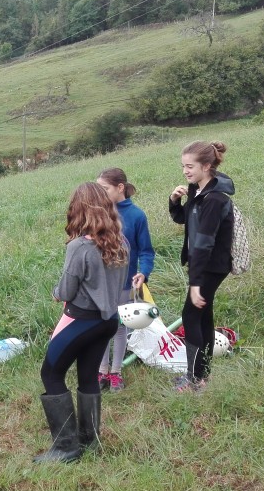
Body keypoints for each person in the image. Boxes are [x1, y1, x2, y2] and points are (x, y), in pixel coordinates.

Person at [35, 183, 128, 464]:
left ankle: (66, 448)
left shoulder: (79, 247)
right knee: (87, 377)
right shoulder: (120, 242)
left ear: (79, 210)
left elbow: (65, 291)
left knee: (51, 374)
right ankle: (90, 440)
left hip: (82, 322)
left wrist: (55, 292)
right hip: (109, 321)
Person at [168, 140, 235, 392]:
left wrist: (196, 283)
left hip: (210, 265)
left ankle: (194, 378)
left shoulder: (216, 199)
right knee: (203, 316)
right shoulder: (197, 190)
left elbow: (204, 244)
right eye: (183, 166)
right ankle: (202, 374)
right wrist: (175, 201)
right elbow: (184, 220)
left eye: (190, 166)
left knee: (191, 315)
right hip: (202, 264)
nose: (185, 171)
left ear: (206, 166)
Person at [95, 168, 155, 393]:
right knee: (101, 326)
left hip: (124, 284)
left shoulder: (137, 215)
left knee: (119, 327)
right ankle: (101, 370)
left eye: (105, 189)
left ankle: (116, 372)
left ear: (120, 188)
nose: (100, 194)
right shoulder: (97, 213)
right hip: (100, 283)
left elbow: (146, 251)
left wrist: (143, 273)